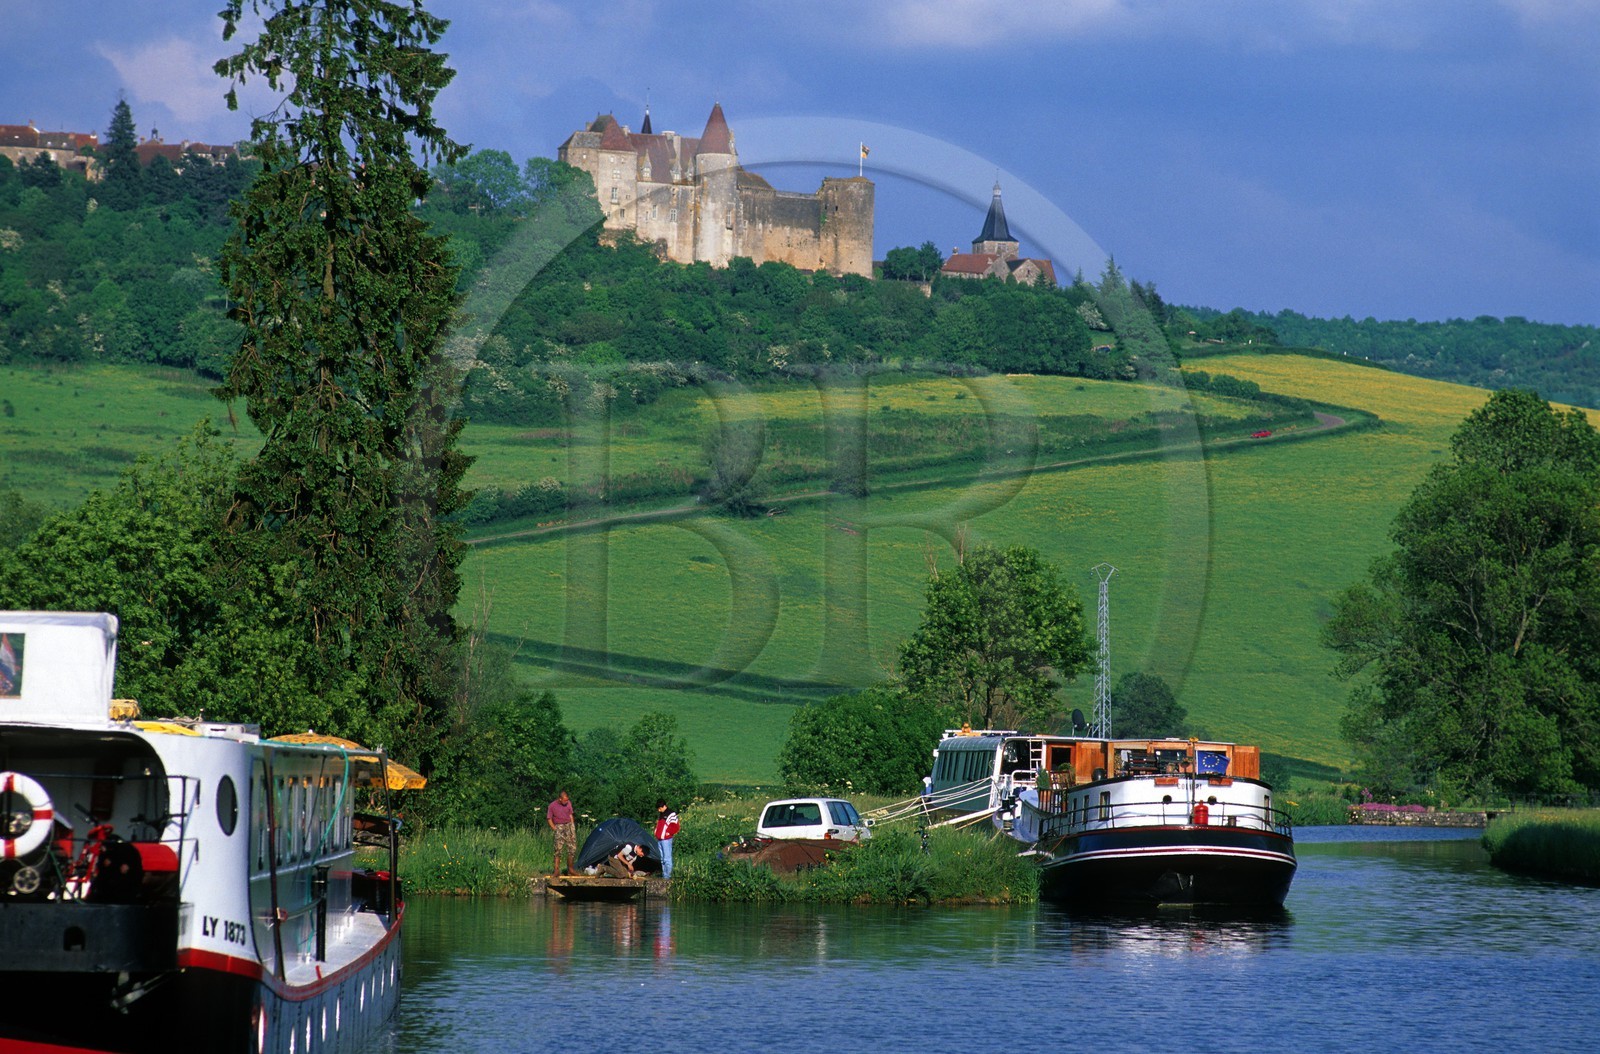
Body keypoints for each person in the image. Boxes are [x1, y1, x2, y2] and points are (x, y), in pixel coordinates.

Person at [547, 790, 576, 875]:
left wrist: (572, 826)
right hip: (559, 826)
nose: (566, 801)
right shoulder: (552, 806)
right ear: (560, 799)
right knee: (558, 848)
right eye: (565, 800)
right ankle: (556, 870)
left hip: (569, 825)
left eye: (567, 800)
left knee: (572, 848)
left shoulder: (568, 803)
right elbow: (549, 818)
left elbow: (570, 815)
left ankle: (570, 869)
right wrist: (554, 828)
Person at [654, 800, 680, 880]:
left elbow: (676, 826)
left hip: (666, 839)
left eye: (659, 808)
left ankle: (667, 877)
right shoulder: (661, 814)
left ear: (663, 806)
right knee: (662, 859)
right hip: (660, 839)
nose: (659, 810)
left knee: (667, 859)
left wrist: (668, 833)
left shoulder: (671, 813)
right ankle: (664, 875)